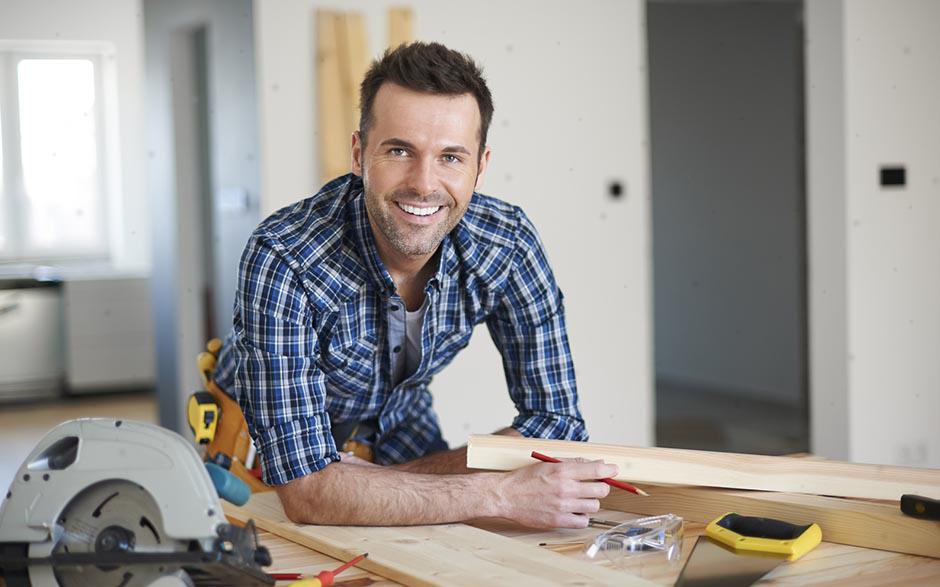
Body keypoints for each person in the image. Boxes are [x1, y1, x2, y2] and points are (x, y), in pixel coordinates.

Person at [215, 42, 618, 528]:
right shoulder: (285, 256)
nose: (424, 184)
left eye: (451, 157)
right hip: (255, 438)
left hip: (399, 422)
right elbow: (306, 492)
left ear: (480, 167)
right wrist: (497, 493)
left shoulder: (506, 244)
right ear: (360, 153)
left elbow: (558, 427)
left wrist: (384, 486)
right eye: (400, 150)